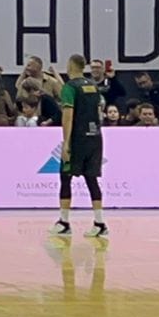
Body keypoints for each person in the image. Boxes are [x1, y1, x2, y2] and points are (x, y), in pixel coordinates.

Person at [54, 54, 108, 237]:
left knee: (65, 177)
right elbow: (99, 111)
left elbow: (67, 116)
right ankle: (100, 223)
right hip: (95, 137)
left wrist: (66, 143)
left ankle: (64, 222)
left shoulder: (70, 87)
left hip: (78, 139)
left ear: (70, 65)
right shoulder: (93, 86)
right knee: (91, 179)